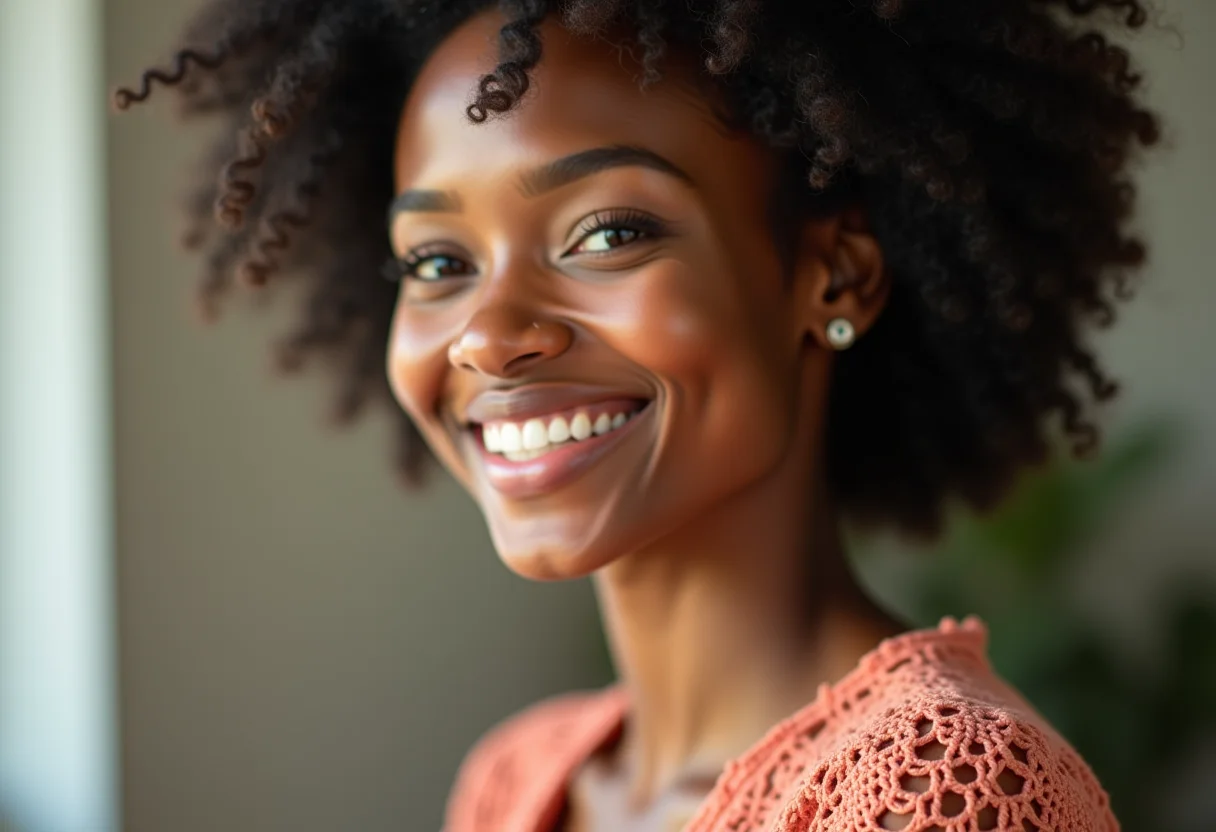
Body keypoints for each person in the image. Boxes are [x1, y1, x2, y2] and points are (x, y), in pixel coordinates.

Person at [117, 1, 1160, 828]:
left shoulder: (942, 793)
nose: (486, 334)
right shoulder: (520, 782)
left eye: (606, 233)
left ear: (833, 276)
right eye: (437, 262)